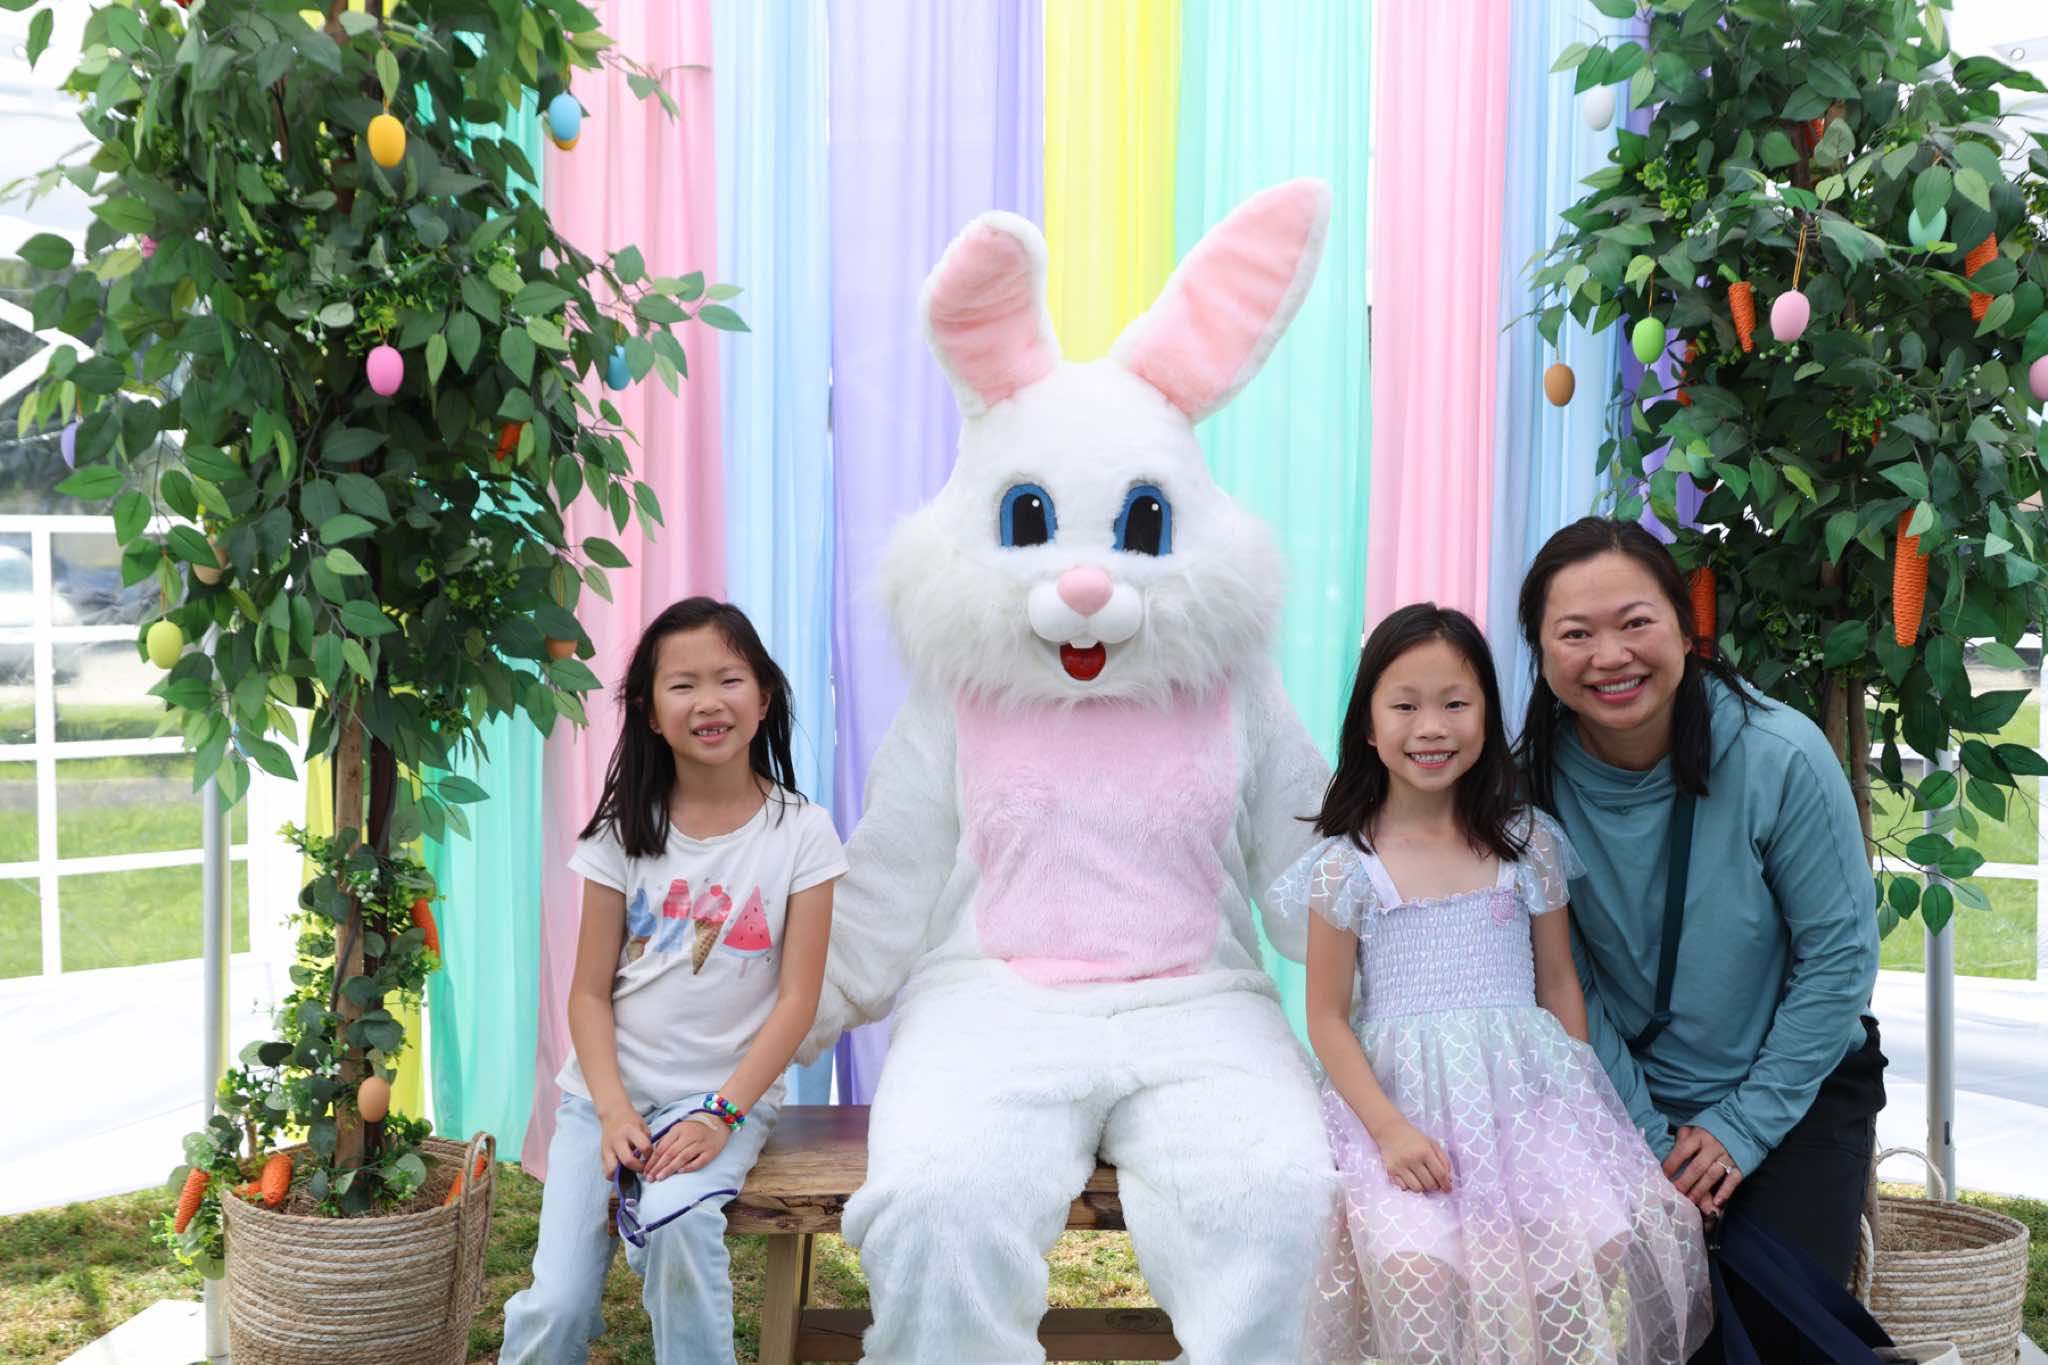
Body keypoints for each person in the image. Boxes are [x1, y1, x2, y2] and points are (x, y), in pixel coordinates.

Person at [1275, 602, 1710, 1365]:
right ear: (1369, 725)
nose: (1431, 727)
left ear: (1486, 714)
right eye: (1405, 706)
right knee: (1418, 1273)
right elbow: (1328, 1018)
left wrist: (1573, 1102)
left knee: (1587, 1249)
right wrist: (1389, 1130)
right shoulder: (1347, 867)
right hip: (1404, 1114)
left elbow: (1559, 983)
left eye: (1455, 703)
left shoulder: (1526, 844)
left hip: (1527, 1107)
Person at [1515, 516, 1884, 1294]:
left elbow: (1840, 958)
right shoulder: (1525, 796)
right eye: (1576, 633)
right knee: (1640, 1318)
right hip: (1620, 1096)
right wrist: (1651, 1145)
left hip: (1796, 1087)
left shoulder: (1779, 756)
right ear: (1542, 654)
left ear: (1686, 631)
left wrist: (1740, 1128)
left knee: (1775, 1314)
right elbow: (1565, 987)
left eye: (1636, 623)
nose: (1610, 655)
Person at [499, 598, 846, 1364]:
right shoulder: (622, 832)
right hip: (603, 1100)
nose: (708, 701)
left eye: (729, 679)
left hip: (720, 1100)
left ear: (765, 696)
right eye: (683, 685)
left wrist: (722, 1113)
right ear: (651, 713)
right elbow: (588, 994)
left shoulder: (803, 834)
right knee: (555, 1304)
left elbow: (798, 1000)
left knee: (680, 1221)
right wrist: (612, 1108)